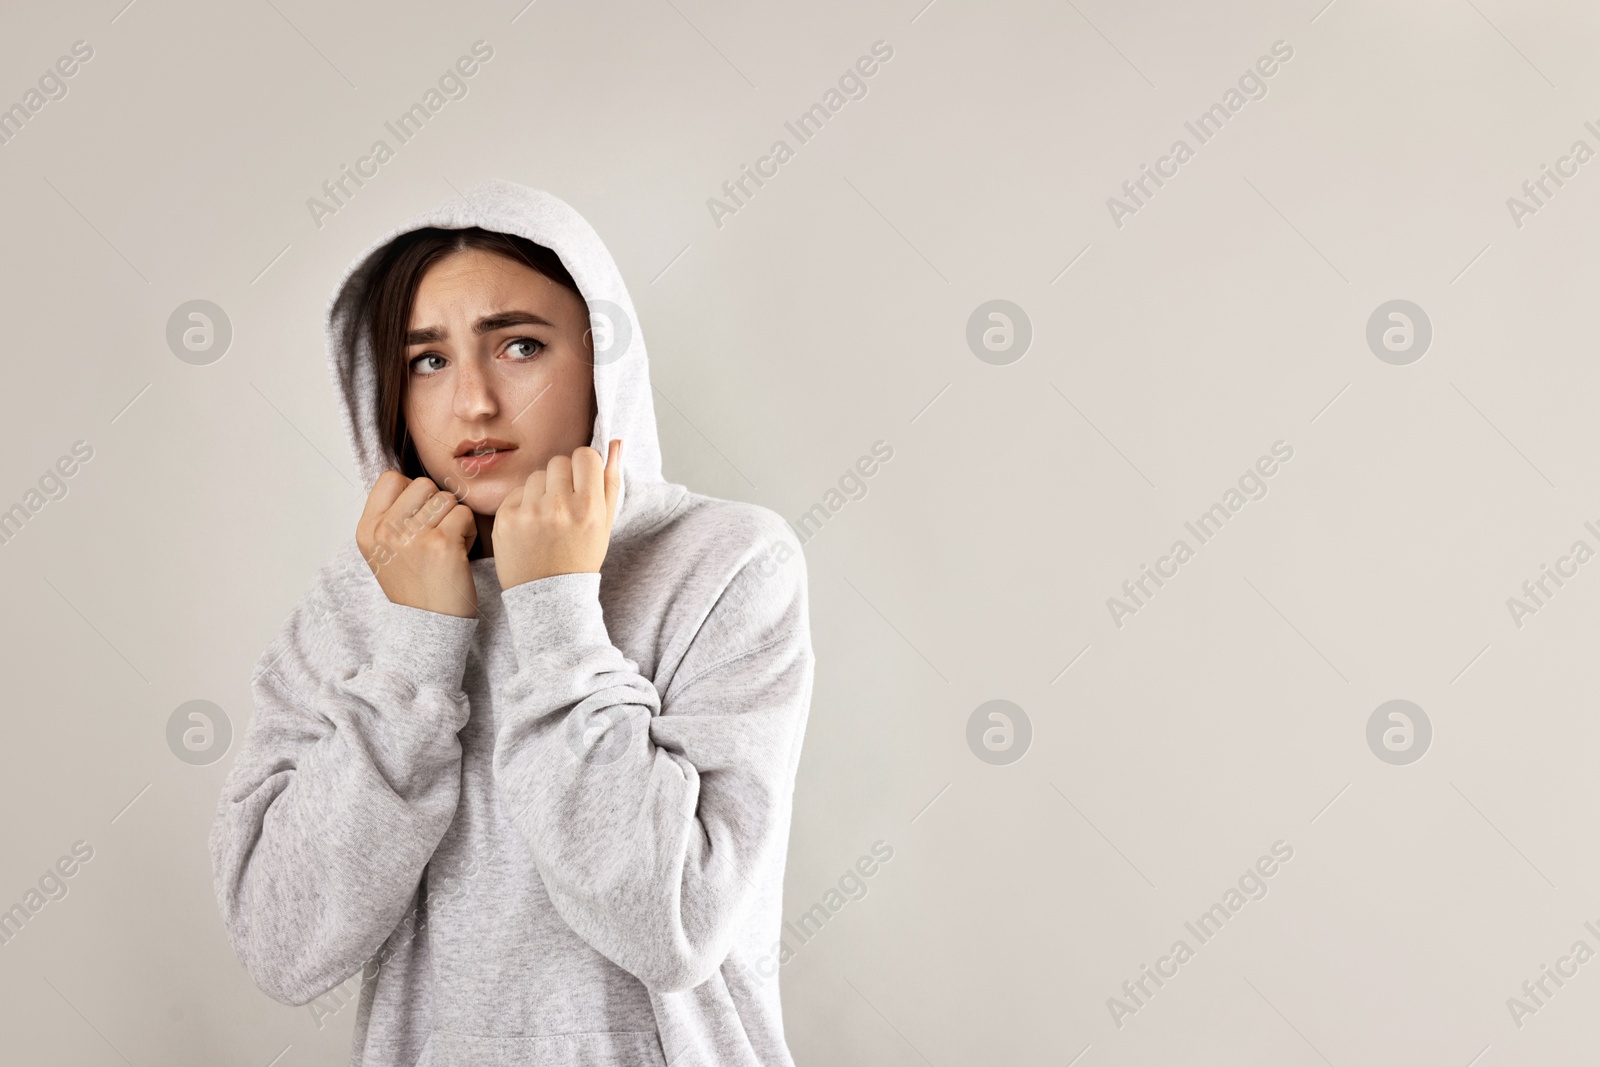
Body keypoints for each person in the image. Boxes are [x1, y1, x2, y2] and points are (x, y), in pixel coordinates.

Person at [208, 179, 814, 1066]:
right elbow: (282, 944)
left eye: (520, 346)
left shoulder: (727, 564)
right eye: (428, 360)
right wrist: (417, 647)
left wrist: (557, 609)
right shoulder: (356, 600)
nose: (475, 403)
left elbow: (673, 925)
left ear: (602, 357)